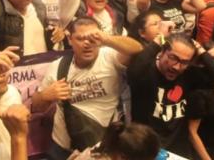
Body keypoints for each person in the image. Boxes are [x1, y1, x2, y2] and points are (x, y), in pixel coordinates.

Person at [32, 18, 143, 159]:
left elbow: (137, 48)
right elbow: (36, 105)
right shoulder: (57, 66)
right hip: (64, 148)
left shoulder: (109, 56)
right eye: (80, 39)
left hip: (104, 147)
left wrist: (107, 39)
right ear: (70, 39)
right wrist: (44, 96)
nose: (87, 44)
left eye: (92, 38)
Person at [127, 33, 214, 156]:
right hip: (147, 146)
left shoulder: (188, 74)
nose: (177, 67)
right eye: (173, 58)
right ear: (162, 52)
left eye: (184, 62)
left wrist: (200, 49)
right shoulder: (146, 72)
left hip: (177, 147)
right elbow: (132, 73)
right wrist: (158, 40)